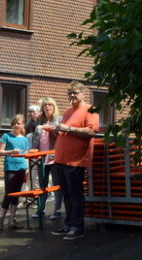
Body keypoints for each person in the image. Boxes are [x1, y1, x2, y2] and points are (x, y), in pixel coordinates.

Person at [52, 81, 99, 240]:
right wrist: (57, 130)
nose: (72, 95)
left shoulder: (90, 109)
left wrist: (69, 129)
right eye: (70, 93)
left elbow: (91, 132)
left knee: (75, 194)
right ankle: (69, 225)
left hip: (76, 160)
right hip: (60, 159)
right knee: (66, 194)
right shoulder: (67, 111)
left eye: (75, 92)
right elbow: (65, 133)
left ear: (83, 93)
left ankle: (78, 228)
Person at [31, 97, 63, 220]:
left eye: (50, 105)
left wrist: (52, 130)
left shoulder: (59, 119)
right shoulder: (39, 121)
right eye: (45, 105)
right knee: (42, 185)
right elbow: (34, 139)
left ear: (54, 106)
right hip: (41, 157)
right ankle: (41, 209)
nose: (47, 107)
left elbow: (61, 137)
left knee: (56, 185)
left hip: (55, 157)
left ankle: (57, 210)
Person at [0, 114, 29, 231]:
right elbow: (0, 152)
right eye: (15, 123)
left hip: (21, 168)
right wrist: (11, 151)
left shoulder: (24, 139)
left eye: (19, 123)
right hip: (10, 168)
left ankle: (12, 221)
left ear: (23, 125)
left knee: (16, 194)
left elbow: (26, 155)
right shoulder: (6, 136)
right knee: (8, 194)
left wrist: (27, 168)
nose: (16, 125)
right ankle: (0, 221)